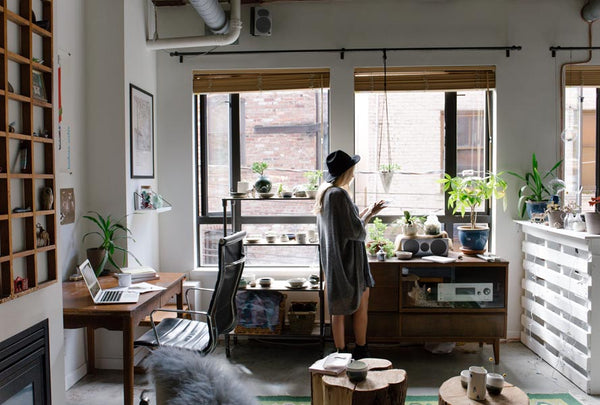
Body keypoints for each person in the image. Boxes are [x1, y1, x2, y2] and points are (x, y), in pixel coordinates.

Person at [314, 150, 386, 359]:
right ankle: (361, 350)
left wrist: (367, 212)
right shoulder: (340, 195)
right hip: (350, 262)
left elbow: (346, 224)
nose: (354, 174)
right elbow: (356, 231)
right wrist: (370, 215)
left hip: (335, 261)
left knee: (337, 309)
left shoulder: (326, 193)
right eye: (352, 170)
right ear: (346, 172)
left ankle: (340, 353)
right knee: (361, 305)